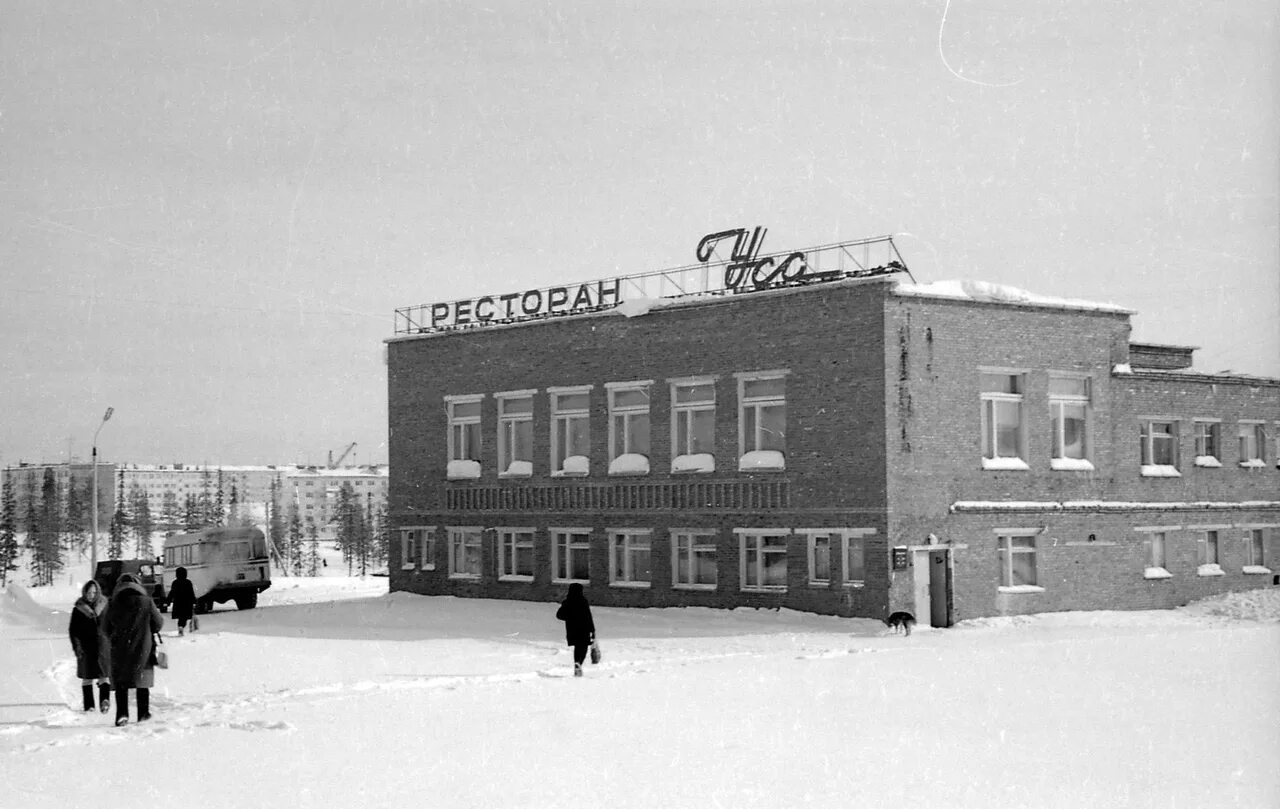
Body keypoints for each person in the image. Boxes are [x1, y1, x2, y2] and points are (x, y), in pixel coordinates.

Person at [102, 573, 164, 726]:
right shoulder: (146, 602)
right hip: (143, 647)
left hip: (120, 649)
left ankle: (122, 715)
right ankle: (143, 714)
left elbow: (105, 627)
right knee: (142, 682)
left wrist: (117, 636)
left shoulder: (112, 603)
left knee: (121, 684)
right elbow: (158, 624)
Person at [68, 580, 112, 713]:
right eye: (89, 592)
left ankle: (105, 702)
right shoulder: (78, 609)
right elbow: (73, 630)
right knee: (87, 678)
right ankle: (89, 706)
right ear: (84, 593)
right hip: (85, 648)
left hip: (103, 646)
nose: (91, 595)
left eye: (94, 592)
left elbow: (112, 625)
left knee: (103, 675)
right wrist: (77, 647)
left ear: (98, 592)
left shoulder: (105, 606)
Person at [555, 583, 596, 677]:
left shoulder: (567, 601)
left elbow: (559, 615)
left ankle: (577, 663)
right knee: (583, 647)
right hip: (584, 628)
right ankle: (579, 663)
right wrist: (592, 630)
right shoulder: (583, 601)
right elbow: (588, 616)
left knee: (577, 647)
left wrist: (570, 617)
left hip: (572, 629)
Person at [167, 566, 197, 636]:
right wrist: (194, 601)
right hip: (187, 603)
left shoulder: (175, 583)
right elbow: (191, 593)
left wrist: (168, 600)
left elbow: (172, 592)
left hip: (178, 603)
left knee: (180, 617)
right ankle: (181, 627)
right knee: (185, 617)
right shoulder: (188, 582)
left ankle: (180, 627)